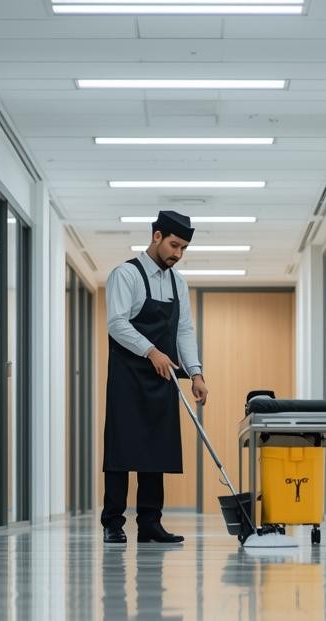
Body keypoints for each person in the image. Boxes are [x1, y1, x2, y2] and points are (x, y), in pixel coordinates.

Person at [101, 210, 209, 545]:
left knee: (155, 450)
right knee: (121, 450)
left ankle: (150, 523)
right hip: (128, 376)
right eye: (174, 245)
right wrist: (152, 351)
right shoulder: (126, 275)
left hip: (163, 377)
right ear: (157, 237)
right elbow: (117, 324)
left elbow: (184, 330)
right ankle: (113, 524)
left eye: (184, 248)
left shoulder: (179, 282)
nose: (178, 254)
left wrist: (196, 372)